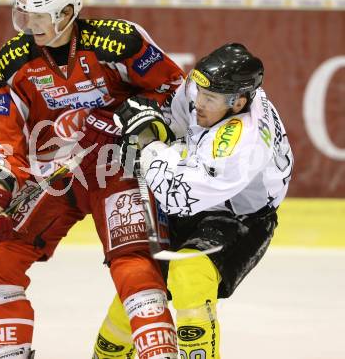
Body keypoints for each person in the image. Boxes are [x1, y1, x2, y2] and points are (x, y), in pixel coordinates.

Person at [0, 0, 185, 358]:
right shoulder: (12, 63)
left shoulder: (121, 41)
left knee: (133, 264)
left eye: (37, 17)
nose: (26, 27)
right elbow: (6, 140)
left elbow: (175, 92)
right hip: (55, 176)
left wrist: (122, 117)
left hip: (119, 168)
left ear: (67, 13)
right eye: (22, 15)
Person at [101, 43, 294, 358]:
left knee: (190, 275)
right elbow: (177, 125)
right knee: (136, 293)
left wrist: (148, 148)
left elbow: (177, 198)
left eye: (210, 99)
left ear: (239, 103)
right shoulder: (205, 89)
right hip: (200, 196)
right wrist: (148, 121)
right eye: (199, 92)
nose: (198, 102)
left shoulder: (242, 143)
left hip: (239, 218)